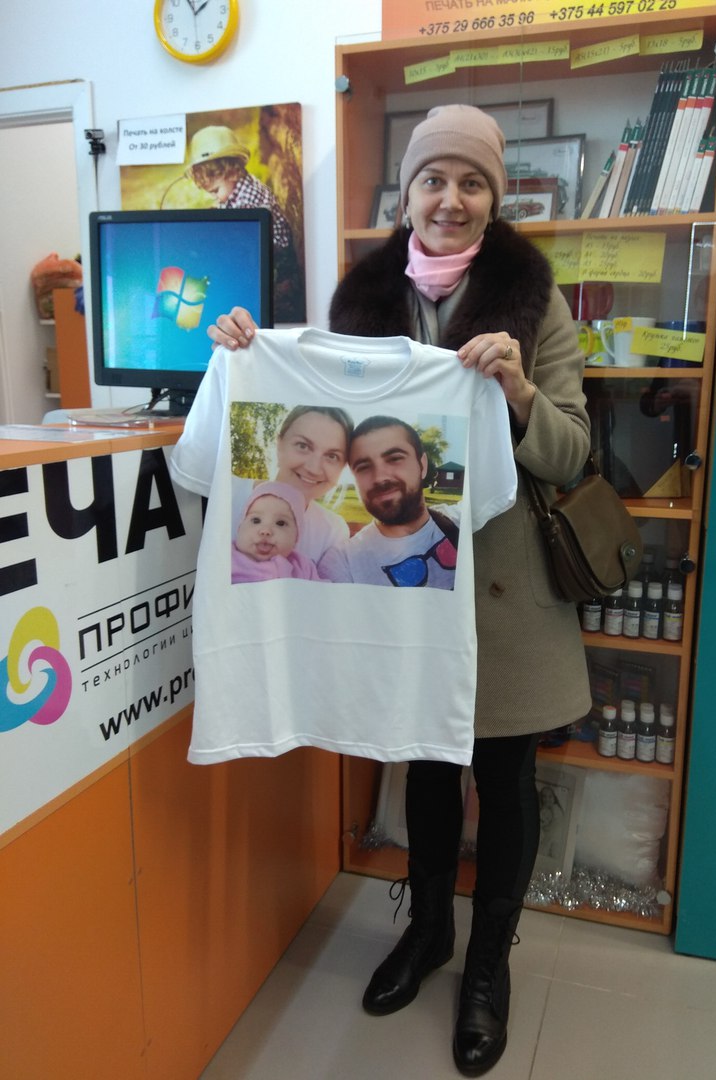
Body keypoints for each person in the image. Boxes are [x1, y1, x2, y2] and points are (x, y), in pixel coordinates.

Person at [208, 104, 591, 1077]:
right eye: (433, 180)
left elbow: (572, 452)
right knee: (421, 762)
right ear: (407, 194)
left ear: (494, 197)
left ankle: (490, 963)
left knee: (503, 780)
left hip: (503, 593)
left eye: (472, 183)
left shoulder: (536, 304)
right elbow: (311, 409)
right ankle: (427, 931)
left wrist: (519, 394)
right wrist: (246, 346)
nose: (450, 200)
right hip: (400, 592)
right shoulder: (361, 299)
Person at [319, 416, 459, 589]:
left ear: (422, 466)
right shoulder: (343, 563)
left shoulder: (460, 521)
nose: (380, 477)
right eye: (363, 467)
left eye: (394, 458)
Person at [185, 125, 304, 322]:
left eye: (215, 191)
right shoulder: (236, 187)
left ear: (232, 172)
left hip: (273, 256)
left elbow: (242, 245)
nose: (216, 198)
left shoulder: (248, 201)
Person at [233, 404, 353, 573]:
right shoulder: (228, 493)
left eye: (332, 456)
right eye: (303, 446)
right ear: (279, 445)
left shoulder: (332, 531)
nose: (313, 468)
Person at [232, 480, 322, 583]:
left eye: (280, 523)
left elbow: (323, 590)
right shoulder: (227, 558)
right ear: (239, 528)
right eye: (256, 520)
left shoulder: (302, 566)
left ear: (296, 537)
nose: (266, 531)